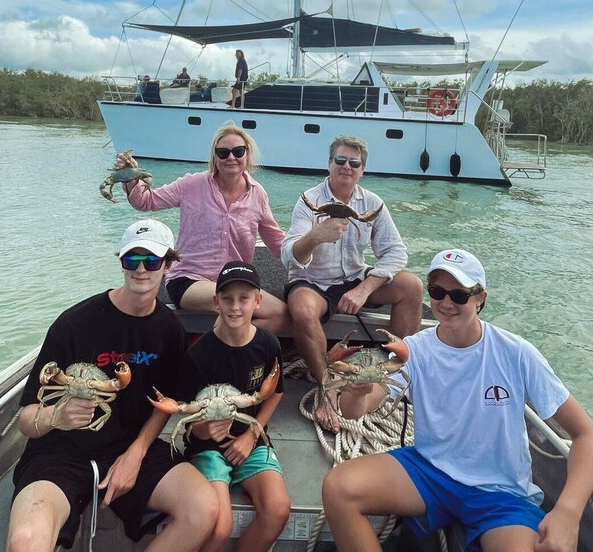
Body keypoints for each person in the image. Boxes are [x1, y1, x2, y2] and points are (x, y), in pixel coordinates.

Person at [322, 248, 593, 552]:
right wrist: (357, 391)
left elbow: (585, 432)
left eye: (459, 295)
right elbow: (357, 408)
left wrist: (568, 512)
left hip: (500, 491)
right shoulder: (412, 351)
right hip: (432, 469)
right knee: (338, 487)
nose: (446, 303)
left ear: (481, 298)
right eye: (437, 292)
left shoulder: (517, 354)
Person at [6, 220, 218, 552]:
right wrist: (55, 417)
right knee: (25, 541)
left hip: (128, 446)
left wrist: (136, 453)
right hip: (59, 454)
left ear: (168, 265)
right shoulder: (74, 324)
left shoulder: (168, 329)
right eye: (131, 260)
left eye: (151, 261)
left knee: (203, 510)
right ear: (121, 261)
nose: (141, 270)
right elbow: (25, 419)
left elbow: (164, 402)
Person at [281, 135, 423, 432]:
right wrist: (316, 236)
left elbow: (396, 252)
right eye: (340, 161)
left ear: (362, 170)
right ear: (329, 164)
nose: (347, 167)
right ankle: (327, 387)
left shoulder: (372, 204)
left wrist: (365, 287)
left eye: (354, 163)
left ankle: (388, 372)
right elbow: (288, 256)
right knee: (303, 309)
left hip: (355, 278)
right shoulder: (309, 201)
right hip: (314, 282)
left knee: (412, 287)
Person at [122, 125, 290, 336]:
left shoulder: (258, 194)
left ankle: (225, 349)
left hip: (234, 279)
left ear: (247, 154)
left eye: (238, 151)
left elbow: (276, 241)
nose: (231, 157)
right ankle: (215, 356)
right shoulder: (191, 184)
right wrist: (131, 178)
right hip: (189, 279)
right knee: (231, 305)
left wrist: (307, 261)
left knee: (280, 314)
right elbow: (146, 201)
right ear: (215, 156)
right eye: (223, 152)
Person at [177, 261, 290, 552]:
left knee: (277, 509)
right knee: (219, 526)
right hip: (207, 448)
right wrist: (208, 429)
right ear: (216, 302)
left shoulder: (268, 344)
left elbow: (275, 392)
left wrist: (251, 435)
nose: (235, 306)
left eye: (244, 298)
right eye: (227, 298)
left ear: (258, 301)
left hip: (251, 438)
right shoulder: (197, 356)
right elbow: (190, 426)